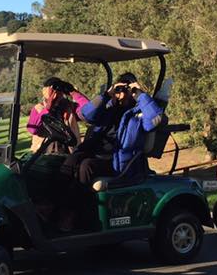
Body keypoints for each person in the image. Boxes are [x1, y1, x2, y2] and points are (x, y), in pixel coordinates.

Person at [57, 71, 163, 231]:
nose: (121, 95)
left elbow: (155, 119)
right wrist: (107, 95)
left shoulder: (138, 113)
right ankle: (61, 210)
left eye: (125, 90)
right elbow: (87, 114)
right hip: (97, 153)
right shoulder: (108, 107)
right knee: (70, 160)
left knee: (86, 166)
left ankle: (81, 216)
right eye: (119, 90)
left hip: (121, 162)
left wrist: (140, 94)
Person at [26, 77, 89, 152]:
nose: (56, 92)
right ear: (45, 91)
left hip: (69, 153)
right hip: (43, 154)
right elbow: (33, 129)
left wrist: (73, 92)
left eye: (59, 89)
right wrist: (48, 108)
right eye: (53, 88)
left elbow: (88, 111)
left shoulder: (69, 107)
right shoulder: (38, 108)